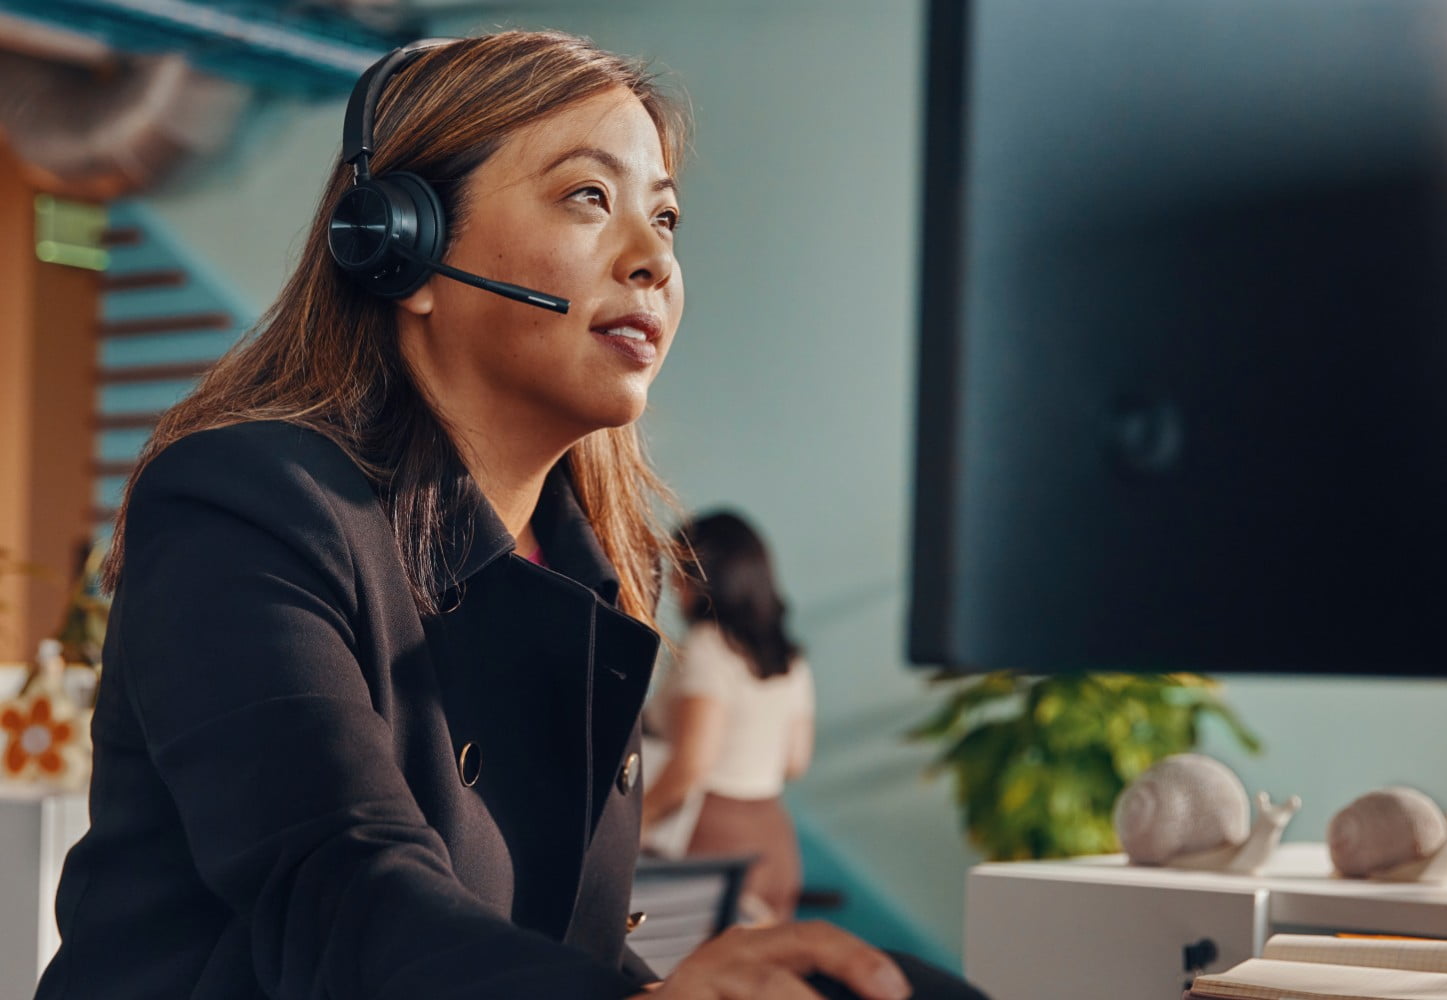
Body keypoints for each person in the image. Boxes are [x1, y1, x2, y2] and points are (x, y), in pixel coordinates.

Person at [34, 31, 978, 1000]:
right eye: (589, 197)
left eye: (666, 217)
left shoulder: (592, 571)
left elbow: (548, 936)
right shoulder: (248, 500)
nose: (654, 257)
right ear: (407, 246)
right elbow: (342, 888)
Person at [643, 511, 815, 922]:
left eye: (680, 574)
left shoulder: (707, 648)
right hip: (776, 839)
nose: (675, 588)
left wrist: (629, 830)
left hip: (717, 843)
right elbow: (796, 762)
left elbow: (692, 765)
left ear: (703, 577)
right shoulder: (790, 659)